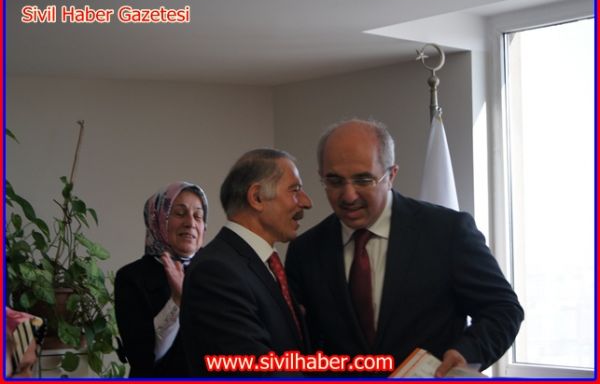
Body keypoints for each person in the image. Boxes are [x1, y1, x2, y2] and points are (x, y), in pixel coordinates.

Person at [286, 119, 524, 377]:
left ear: (391, 175)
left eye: (363, 180)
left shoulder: (447, 232)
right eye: (334, 181)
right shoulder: (305, 251)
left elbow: (503, 310)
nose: (349, 195)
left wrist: (468, 352)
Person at [180, 148, 312, 376]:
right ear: (257, 197)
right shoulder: (216, 272)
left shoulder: (265, 265)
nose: (306, 202)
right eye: (295, 190)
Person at [115, 181, 208, 377]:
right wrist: (177, 302)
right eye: (180, 213)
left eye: (198, 216)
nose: (190, 223)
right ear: (157, 219)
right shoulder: (132, 278)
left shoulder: (215, 274)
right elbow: (143, 360)